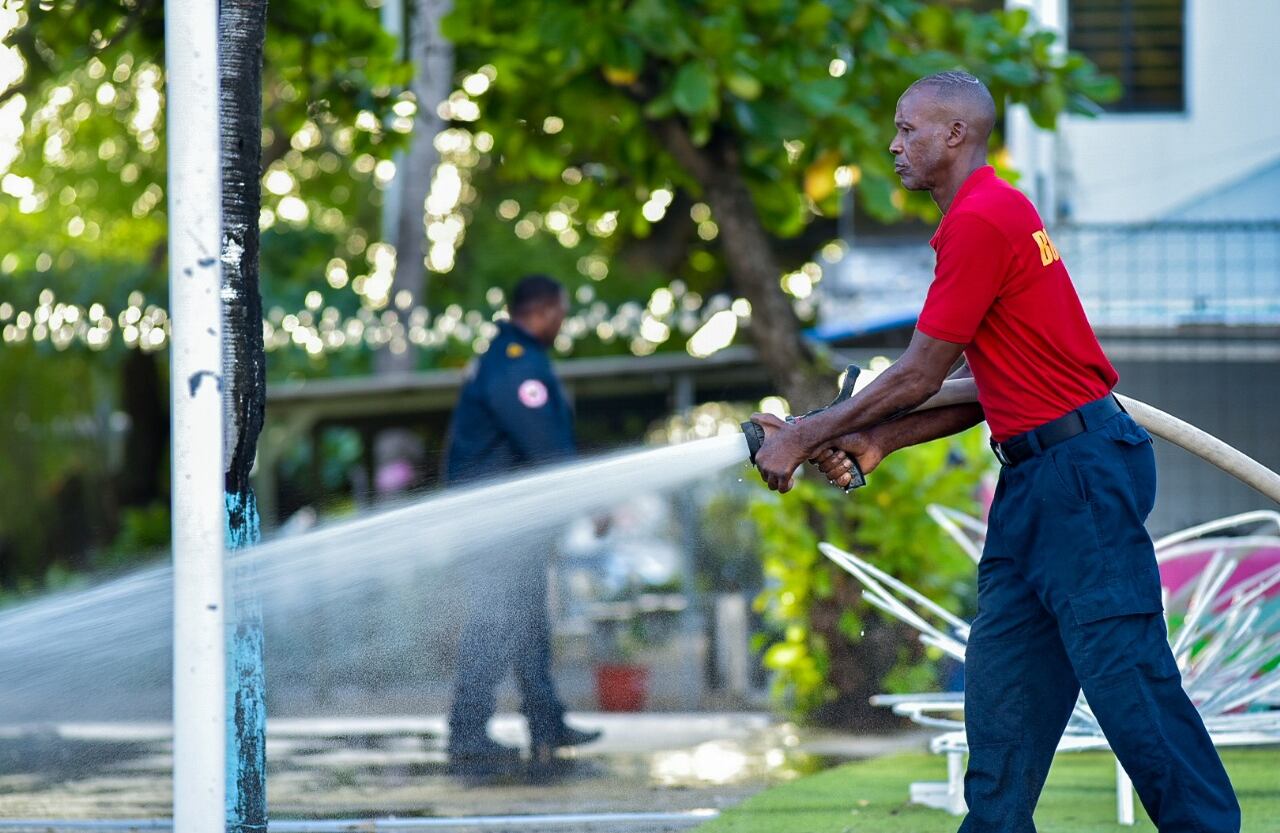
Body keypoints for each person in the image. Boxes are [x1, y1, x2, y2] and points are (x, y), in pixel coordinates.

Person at [750, 72, 1239, 832]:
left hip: (1079, 477)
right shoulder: (984, 218)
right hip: (1037, 480)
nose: (893, 143)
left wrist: (804, 434)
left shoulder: (984, 219)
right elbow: (983, 384)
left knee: (1129, 683)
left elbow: (920, 373)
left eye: (907, 128)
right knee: (1003, 693)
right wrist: (875, 437)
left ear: (954, 135)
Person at [443, 274, 601, 772]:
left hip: (507, 523)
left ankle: (546, 722)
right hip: (498, 525)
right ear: (546, 310)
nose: (563, 322)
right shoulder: (517, 365)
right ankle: (468, 732)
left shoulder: (506, 358)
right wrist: (592, 500)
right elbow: (545, 444)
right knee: (493, 622)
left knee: (527, 623)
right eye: (562, 313)